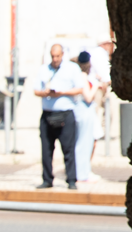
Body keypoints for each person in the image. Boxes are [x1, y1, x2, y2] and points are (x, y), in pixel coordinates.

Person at [34, 44, 86, 190]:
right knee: (46, 149)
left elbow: (80, 88)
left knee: (68, 149)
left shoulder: (72, 68)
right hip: (48, 113)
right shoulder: (44, 69)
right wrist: (45, 93)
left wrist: (62, 92)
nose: (55, 59)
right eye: (53, 56)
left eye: (57, 56)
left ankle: (71, 180)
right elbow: (35, 90)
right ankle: (47, 179)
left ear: (62, 54)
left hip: (65, 114)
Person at [75, 51, 110, 182]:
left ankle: (85, 169)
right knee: (83, 142)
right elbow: (88, 97)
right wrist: (96, 85)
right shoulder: (82, 76)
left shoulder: (86, 76)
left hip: (87, 112)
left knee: (90, 142)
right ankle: (82, 172)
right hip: (84, 112)